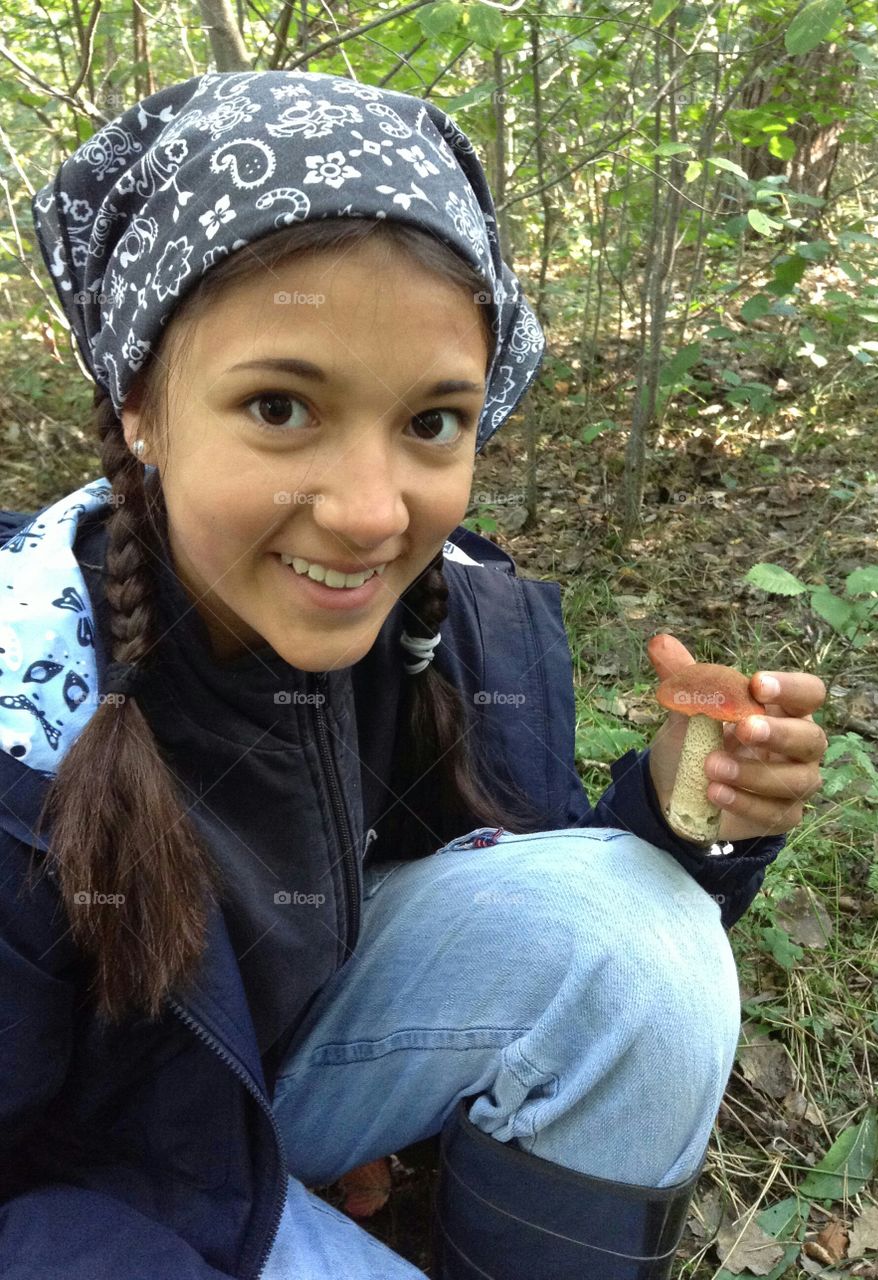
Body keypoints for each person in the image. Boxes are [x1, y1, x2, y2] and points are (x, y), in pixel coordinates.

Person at [0, 70, 827, 1280]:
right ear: (140, 403)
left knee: (641, 938)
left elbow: (534, 899)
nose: (373, 511)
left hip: (273, 1073)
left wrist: (680, 813)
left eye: (432, 421)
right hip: (99, 1186)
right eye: (280, 405)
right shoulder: (27, 712)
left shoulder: (446, 613)